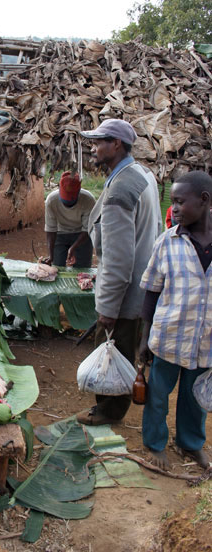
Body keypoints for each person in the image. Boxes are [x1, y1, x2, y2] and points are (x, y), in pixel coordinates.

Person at [76, 119, 162, 426]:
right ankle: (111, 408)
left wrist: (108, 308)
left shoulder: (120, 190)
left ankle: (109, 412)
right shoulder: (142, 176)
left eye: (100, 142)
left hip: (125, 293)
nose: (94, 147)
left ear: (116, 145)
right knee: (123, 349)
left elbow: (117, 259)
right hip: (141, 286)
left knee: (114, 350)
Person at [139, 171, 211, 471]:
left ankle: (190, 443)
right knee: (157, 394)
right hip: (169, 337)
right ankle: (154, 444)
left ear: (204, 201)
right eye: (173, 202)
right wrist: (144, 341)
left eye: (180, 201)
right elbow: (151, 294)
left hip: (206, 341)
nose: (175, 208)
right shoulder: (167, 242)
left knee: (196, 397)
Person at [44, 172, 95, 267]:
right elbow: (51, 230)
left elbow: (87, 229)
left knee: (82, 269)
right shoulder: (51, 201)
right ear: (59, 189)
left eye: (71, 200)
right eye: (65, 200)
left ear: (79, 191)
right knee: (57, 267)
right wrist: (51, 256)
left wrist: (73, 248)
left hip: (82, 234)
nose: (67, 204)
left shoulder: (88, 200)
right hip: (60, 233)